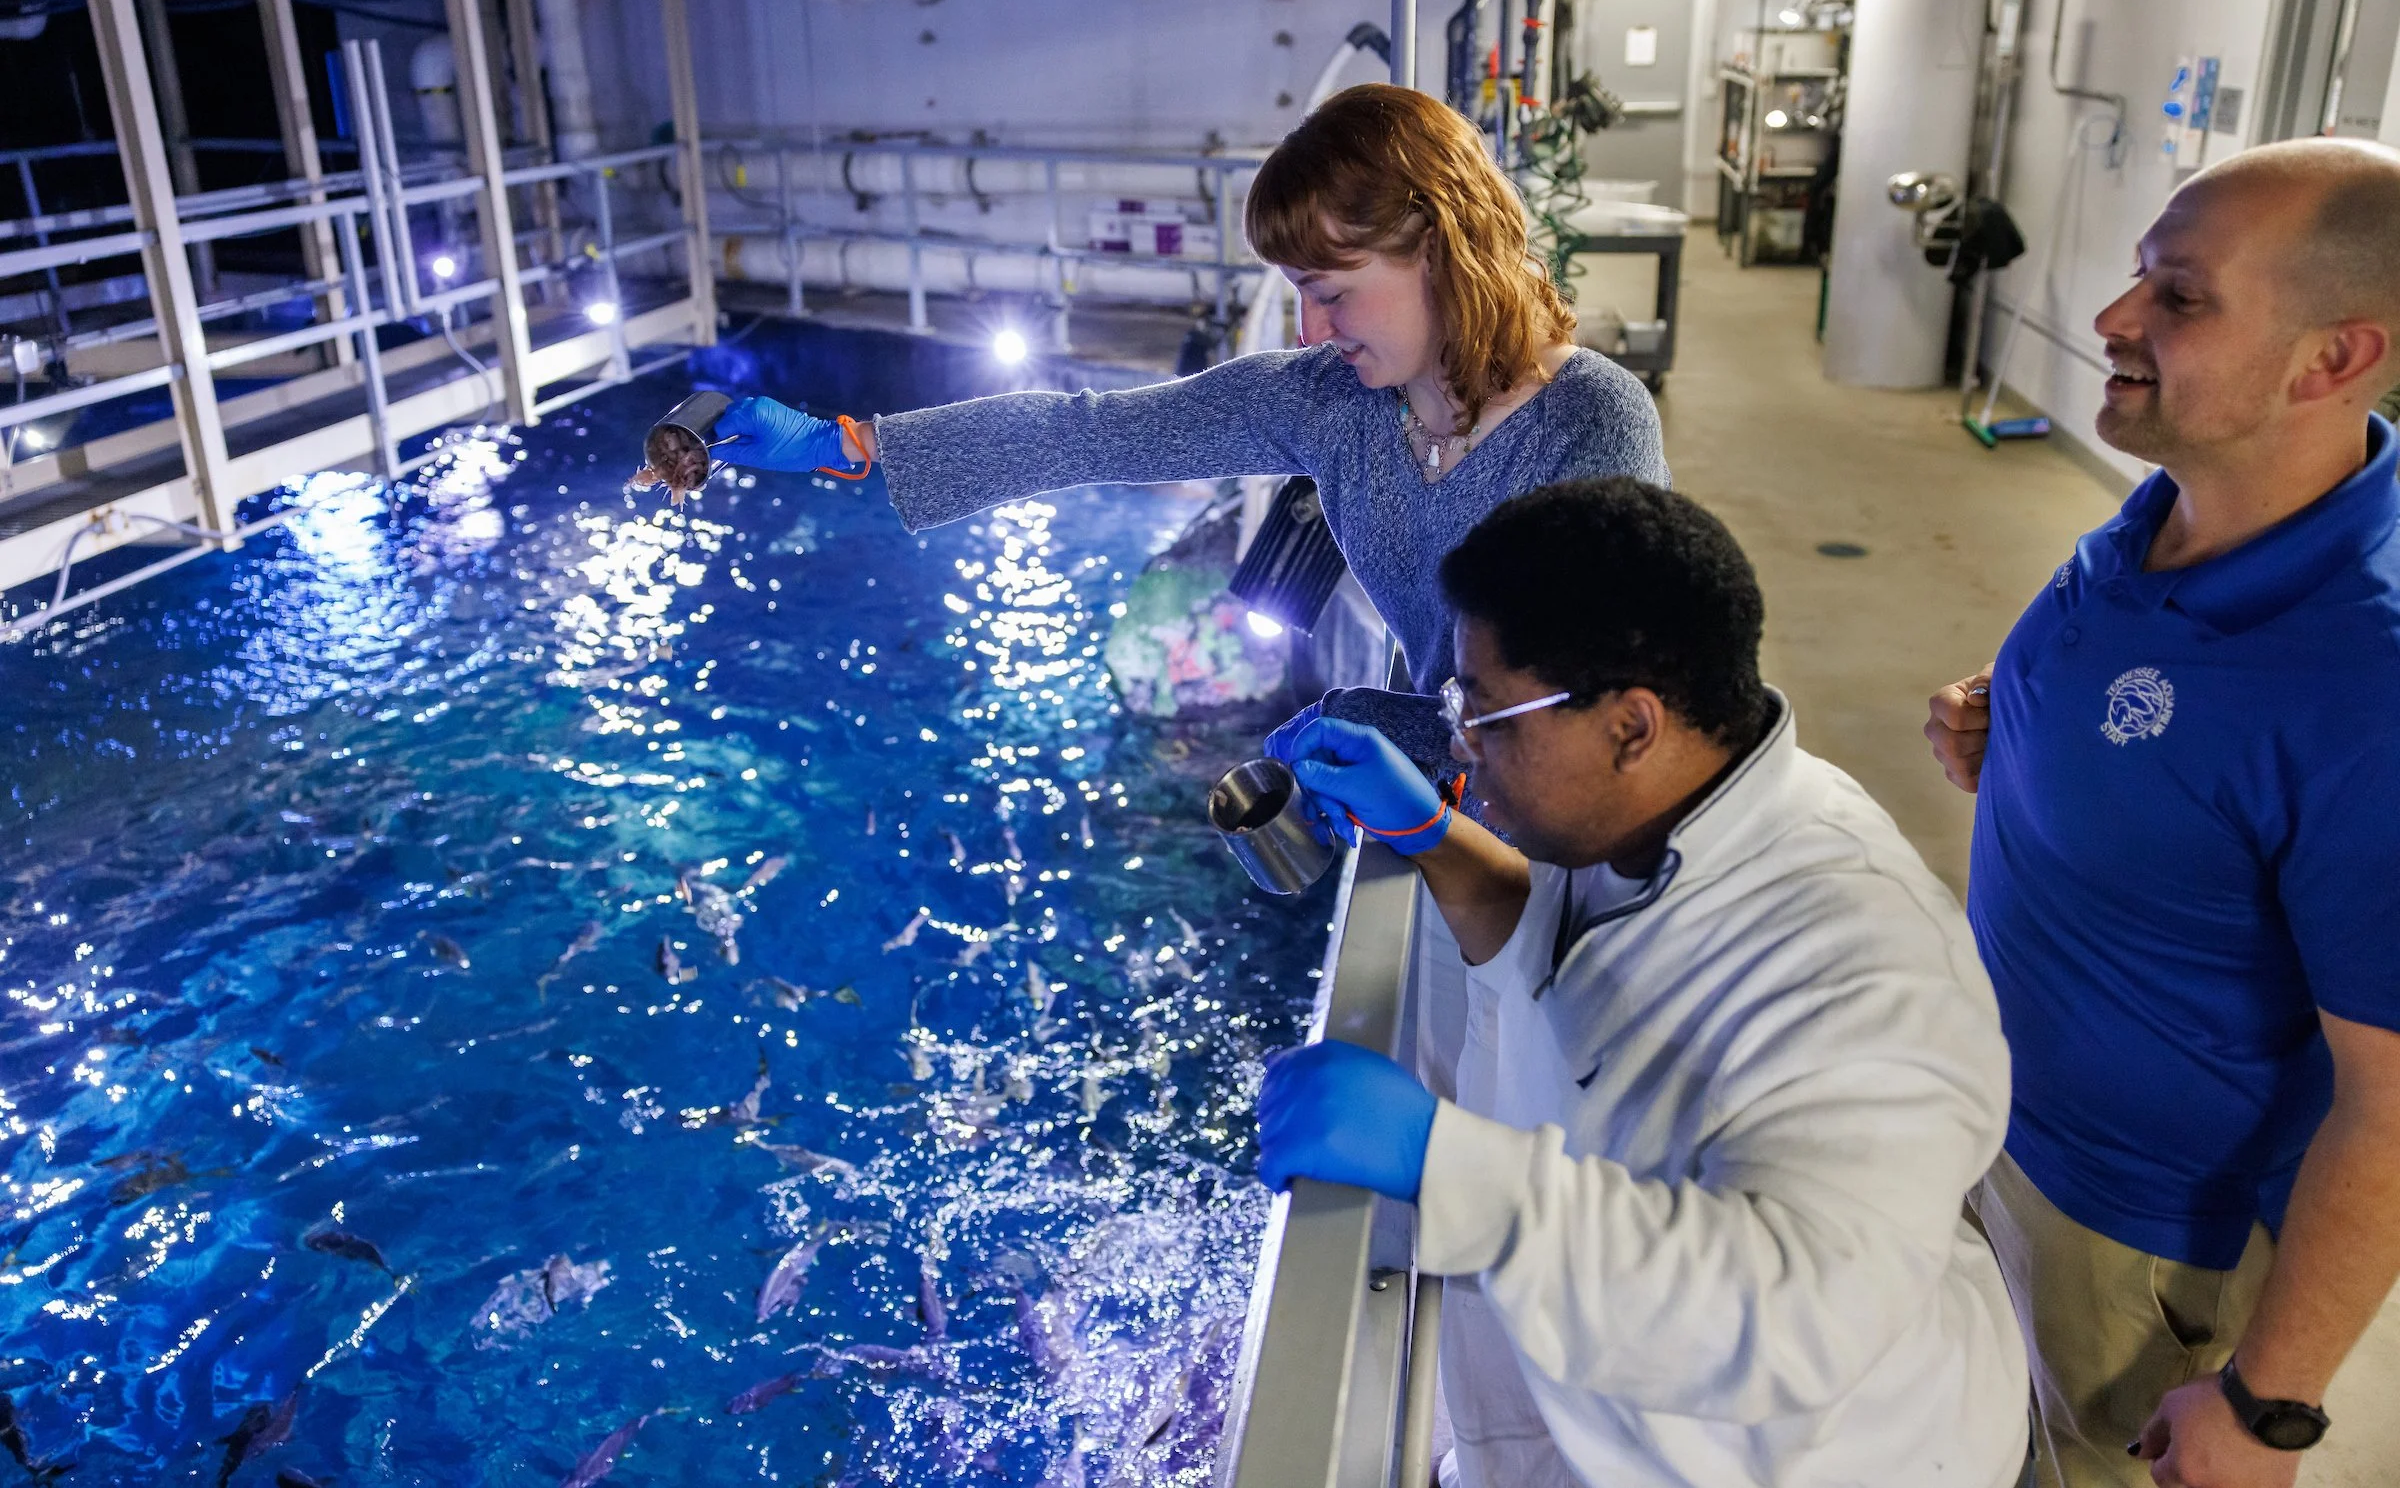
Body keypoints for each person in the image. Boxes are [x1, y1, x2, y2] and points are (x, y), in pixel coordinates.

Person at [1259, 478, 2029, 1488]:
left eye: (1488, 715)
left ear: (1631, 726)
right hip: (1630, 1422)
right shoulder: (1649, 814)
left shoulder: (1864, 967)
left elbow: (1794, 1316)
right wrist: (1433, 836)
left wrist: (1446, 1165)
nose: (1462, 744)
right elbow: (1573, 952)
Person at [1922, 138, 2400, 1488]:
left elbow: (2390, 1106)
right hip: (2000, 1116)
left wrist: (2266, 1405)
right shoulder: (2183, 499)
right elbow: (2177, 735)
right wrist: (2013, 724)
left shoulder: (2366, 680)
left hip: (2130, 1237)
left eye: (2179, 297)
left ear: (2332, 358)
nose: (2113, 315)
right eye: (2141, 276)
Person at [700, 83, 1667, 693]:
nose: (1310, 330)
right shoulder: (1330, 402)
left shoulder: (1590, 424)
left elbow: (1594, 712)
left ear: (1440, 246)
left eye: (1330, 292)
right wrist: (848, 442)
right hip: (1452, 821)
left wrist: (1402, 741)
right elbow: (1089, 434)